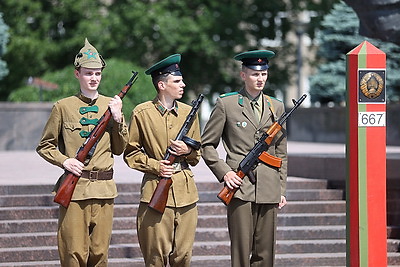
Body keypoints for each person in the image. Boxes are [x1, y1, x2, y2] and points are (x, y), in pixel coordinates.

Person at [36, 38, 129, 266]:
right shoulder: (63, 107)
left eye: (97, 74)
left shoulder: (112, 104)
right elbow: (45, 145)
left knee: (99, 255)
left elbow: (120, 149)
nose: (94, 78)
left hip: (105, 191)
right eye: (88, 73)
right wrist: (65, 161)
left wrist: (118, 119)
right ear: (77, 74)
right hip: (75, 190)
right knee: (73, 253)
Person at [201, 50, 288, 267]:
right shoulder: (227, 104)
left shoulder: (276, 106)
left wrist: (281, 189)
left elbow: (281, 152)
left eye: (264, 74)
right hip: (240, 185)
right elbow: (207, 145)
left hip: (269, 186)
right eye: (255, 74)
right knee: (241, 250)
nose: (260, 79)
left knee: (265, 253)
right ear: (243, 75)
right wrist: (225, 173)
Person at [123, 54, 201, 267]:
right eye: (177, 81)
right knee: (155, 256)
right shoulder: (142, 113)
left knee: (183, 256)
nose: (183, 84)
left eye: (182, 80)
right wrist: (156, 166)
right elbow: (130, 153)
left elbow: (196, 155)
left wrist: (186, 150)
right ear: (161, 84)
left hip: (186, 193)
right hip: (155, 191)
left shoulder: (189, 112)